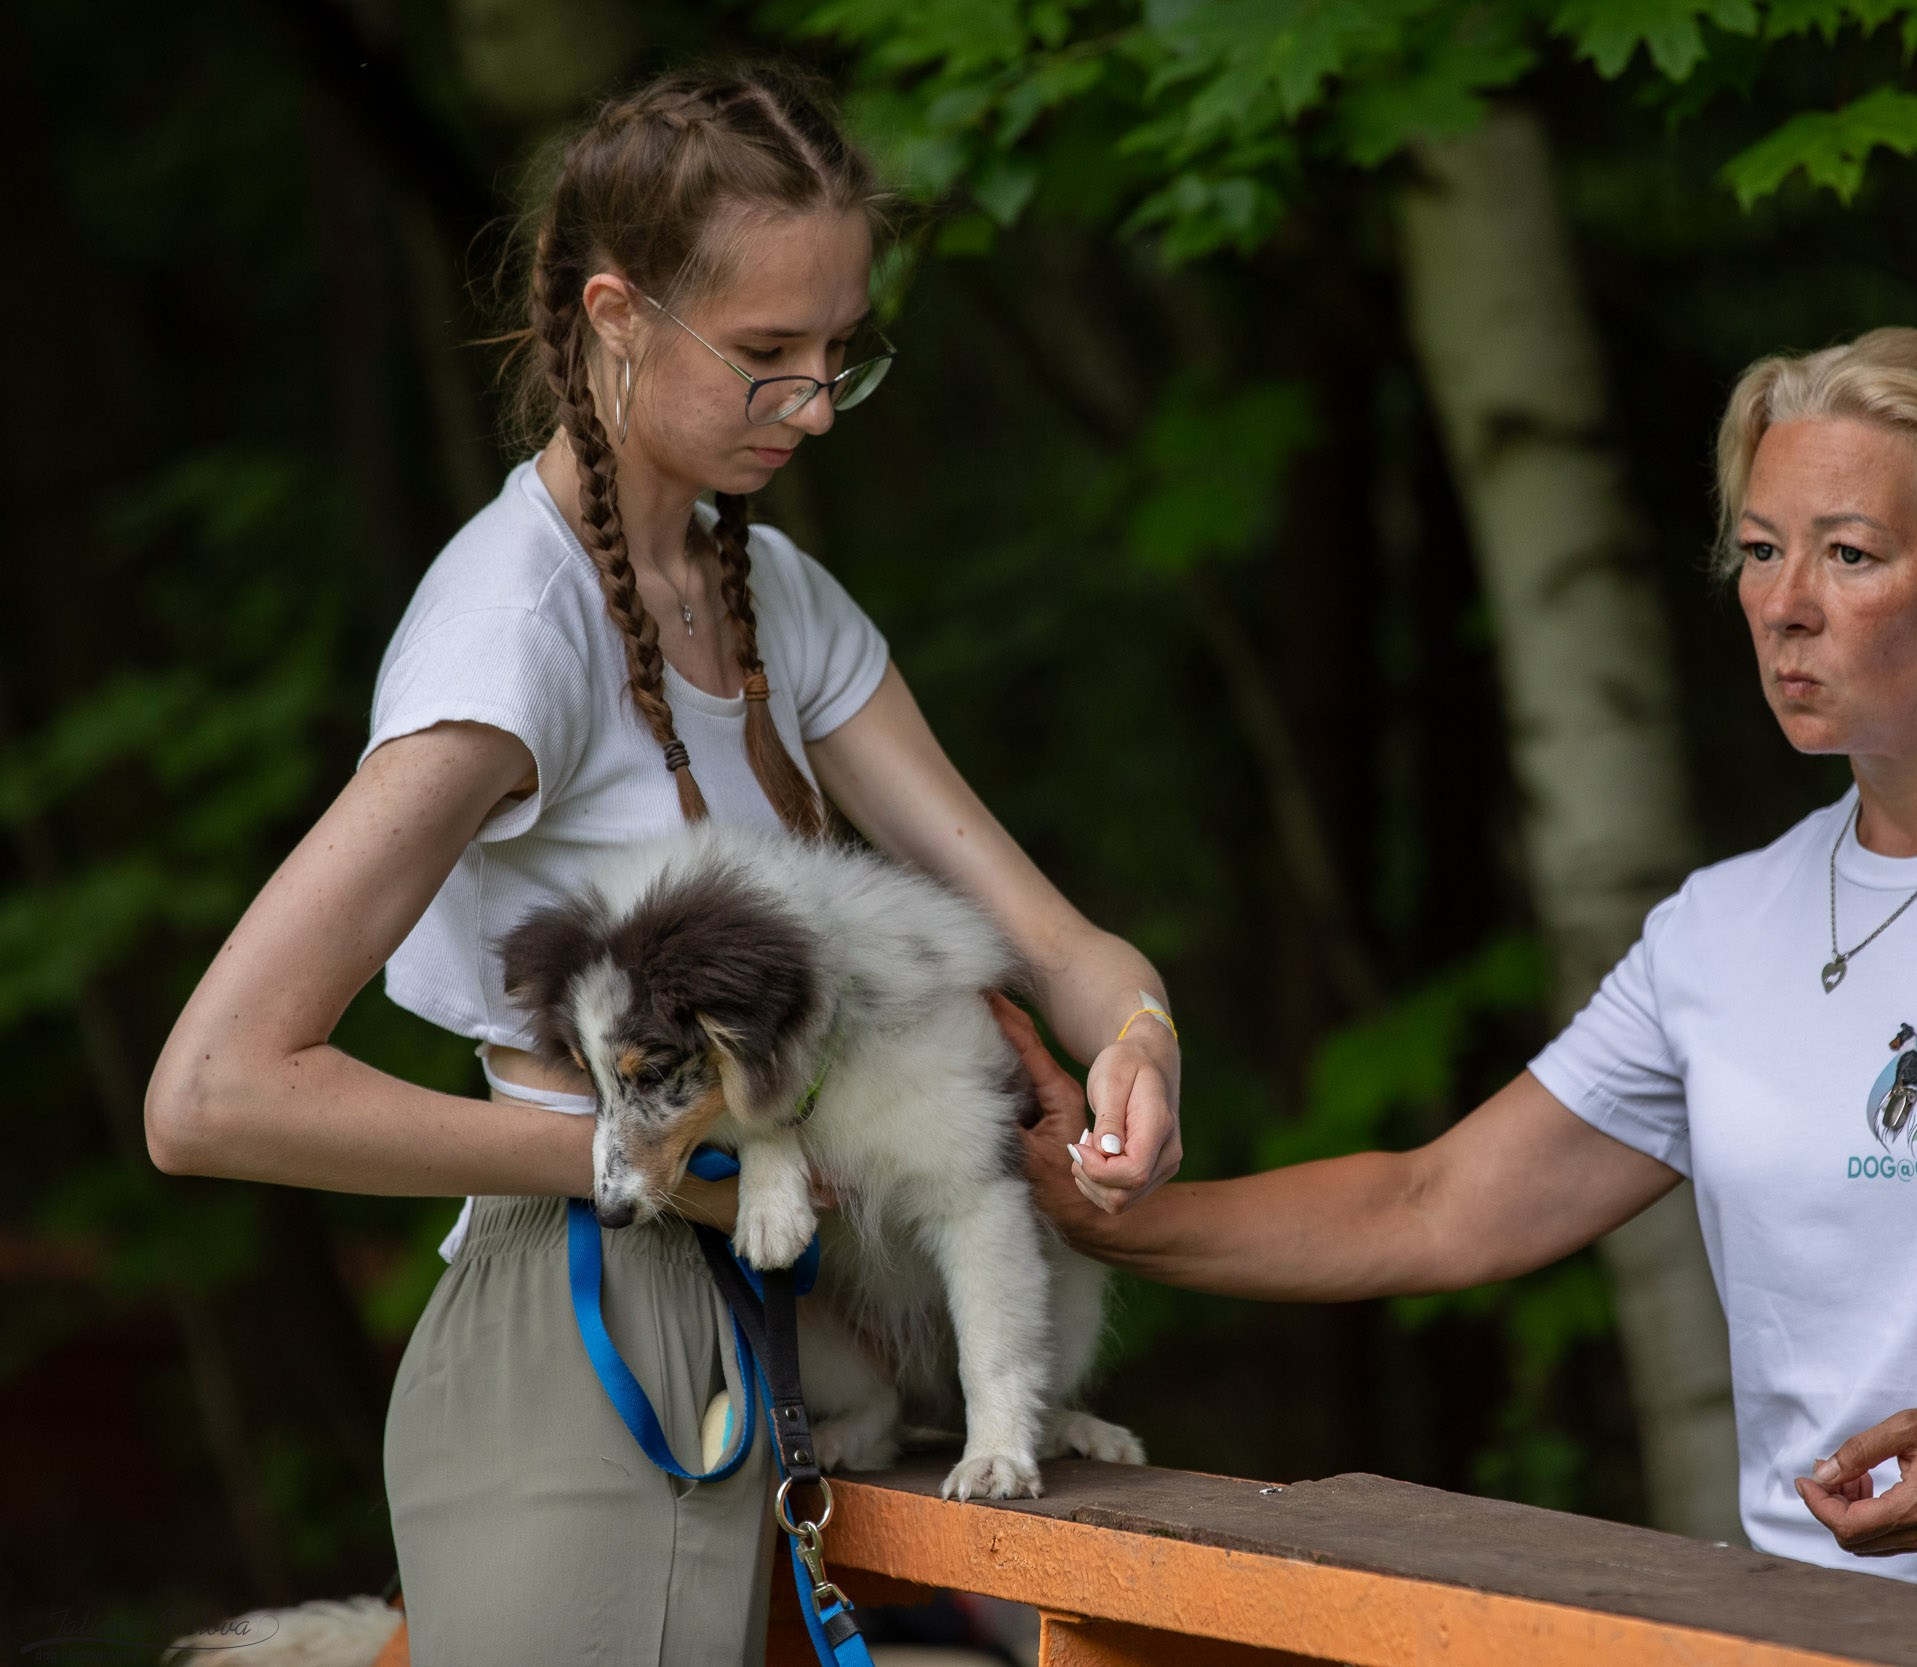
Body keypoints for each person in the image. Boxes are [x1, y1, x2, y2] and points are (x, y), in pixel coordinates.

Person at [998, 326, 1917, 1640]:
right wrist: (1122, 1220)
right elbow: (1433, 1206)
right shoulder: (1722, 928)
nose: (1786, 608)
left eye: (1850, 555)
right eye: (1757, 551)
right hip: (1800, 1645)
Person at [144, 64, 1179, 1666]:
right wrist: (651, 1167)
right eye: (769, 356)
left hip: (802, 1321)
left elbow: (1057, 941)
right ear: (618, 316)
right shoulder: (514, 628)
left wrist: (1138, 1048)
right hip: (591, 1312)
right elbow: (211, 1094)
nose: (818, 404)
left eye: (844, 355)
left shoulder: (773, 591)